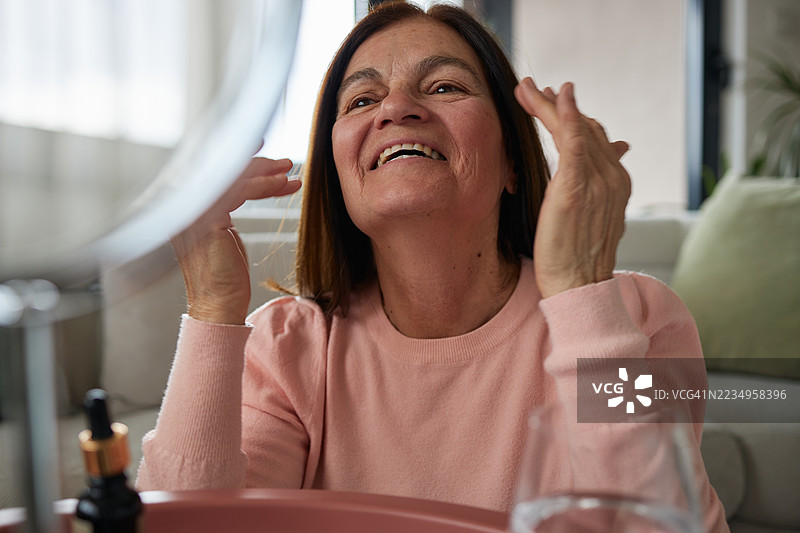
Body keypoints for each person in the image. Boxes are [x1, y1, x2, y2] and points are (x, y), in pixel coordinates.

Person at [137, 2, 728, 531]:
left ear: (511, 165)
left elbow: (651, 524)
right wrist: (212, 309)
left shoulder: (639, 319)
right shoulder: (287, 346)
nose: (396, 108)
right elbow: (187, 525)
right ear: (342, 176)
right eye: (362, 99)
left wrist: (580, 294)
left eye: (445, 86)